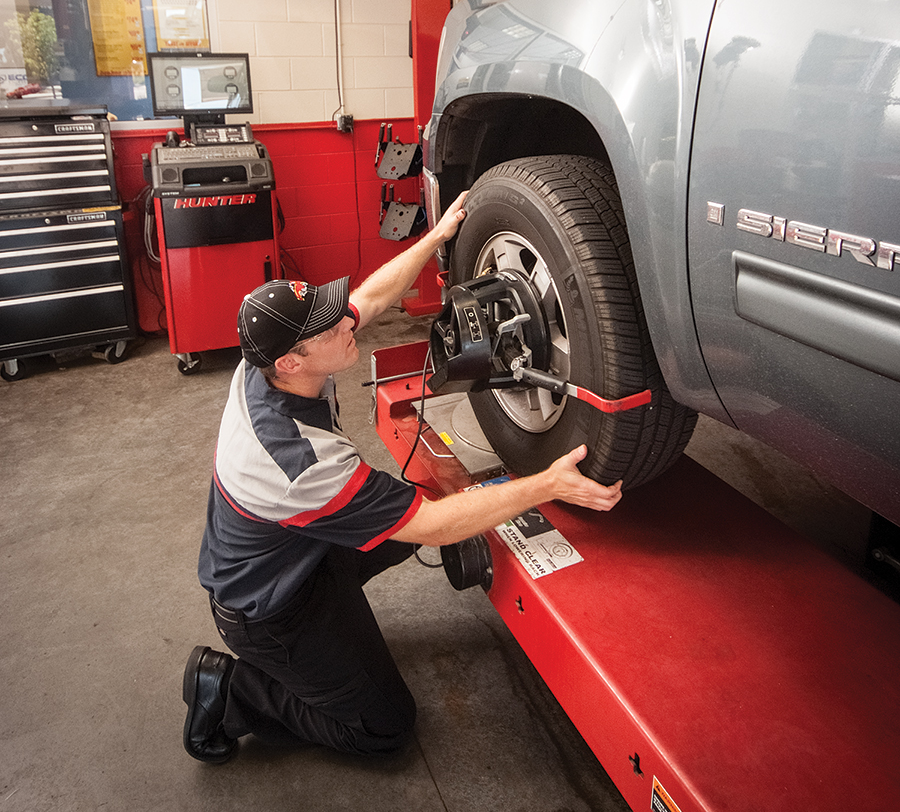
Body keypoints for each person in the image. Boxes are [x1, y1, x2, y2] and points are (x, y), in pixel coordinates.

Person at [182, 192, 623, 764]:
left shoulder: (265, 362)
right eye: (327, 327)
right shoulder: (301, 465)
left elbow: (367, 298)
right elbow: (434, 525)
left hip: (297, 551)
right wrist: (547, 483)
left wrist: (435, 237)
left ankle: (327, 632)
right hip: (269, 608)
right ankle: (230, 690)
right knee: (383, 727)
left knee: (409, 507)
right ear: (291, 361)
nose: (346, 322)